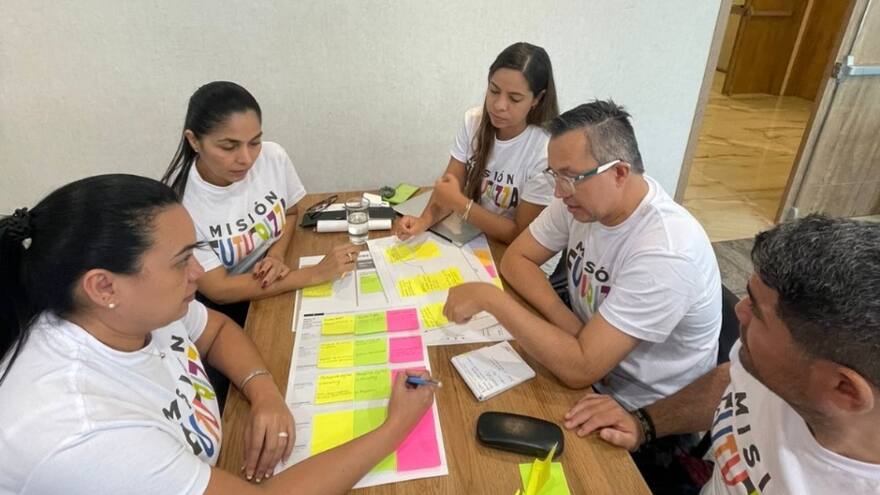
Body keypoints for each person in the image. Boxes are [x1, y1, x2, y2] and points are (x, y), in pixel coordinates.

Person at [0, 174, 435, 495]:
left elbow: (218, 329)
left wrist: (262, 389)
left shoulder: (133, 309)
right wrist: (394, 427)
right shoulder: (86, 435)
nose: (198, 273)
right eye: (182, 260)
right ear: (103, 286)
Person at [562, 215, 880, 494]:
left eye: (757, 312)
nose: (738, 310)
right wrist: (645, 423)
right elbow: (732, 377)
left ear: (845, 389)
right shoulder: (761, 360)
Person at [443, 100, 721, 411]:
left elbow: (580, 369)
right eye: (554, 176)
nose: (559, 192)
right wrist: (572, 327)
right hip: (586, 357)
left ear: (618, 172)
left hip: (638, 410)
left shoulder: (667, 252)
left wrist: (490, 299)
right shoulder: (581, 202)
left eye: (570, 177)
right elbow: (516, 259)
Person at [162, 81, 358, 325]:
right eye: (228, 146)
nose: (246, 159)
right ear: (194, 140)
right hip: (232, 310)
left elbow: (290, 213)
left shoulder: (272, 156)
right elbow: (219, 291)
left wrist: (275, 255)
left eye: (254, 142)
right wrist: (314, 274)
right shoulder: (178, 206)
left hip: (275, 280)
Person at [395, 42, 559, 248]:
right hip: (475, 237)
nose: (499, 105)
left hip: (515, 252)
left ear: (538, 99)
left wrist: (461, 204)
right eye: (494, 90)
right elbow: (448, 189)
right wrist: (423, 222)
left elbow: (519, 234)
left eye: (514, 99)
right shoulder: (474, 122)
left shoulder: (547, 150)